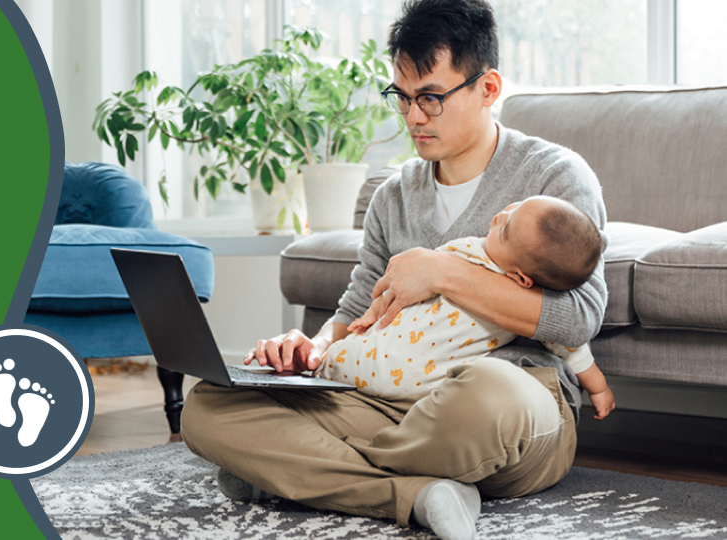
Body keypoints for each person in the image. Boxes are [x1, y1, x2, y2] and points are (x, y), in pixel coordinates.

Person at [181, 1, 610, 539]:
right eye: (402, 98)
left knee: (489, 392)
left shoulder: (555, 179)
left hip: (508, 403)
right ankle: (420, 493)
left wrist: (443, 272)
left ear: (489, 87)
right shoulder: (393, 195)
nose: (412, 117)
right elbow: (358, 307)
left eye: (431, 98)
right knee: (207, 406)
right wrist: (310, 348)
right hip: (385, 406)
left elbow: (579, 319)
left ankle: (300, 471)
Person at [319, 195, 615, 422]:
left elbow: (398, 281)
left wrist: (372, 314)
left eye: (506, 230)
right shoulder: (525, 294)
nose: (500, 215)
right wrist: (598, 388)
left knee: (332, 364)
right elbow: (572, 349)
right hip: (421, 386)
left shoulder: (468, 251)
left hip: (387, 359)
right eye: (516, 206)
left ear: (521, 278)